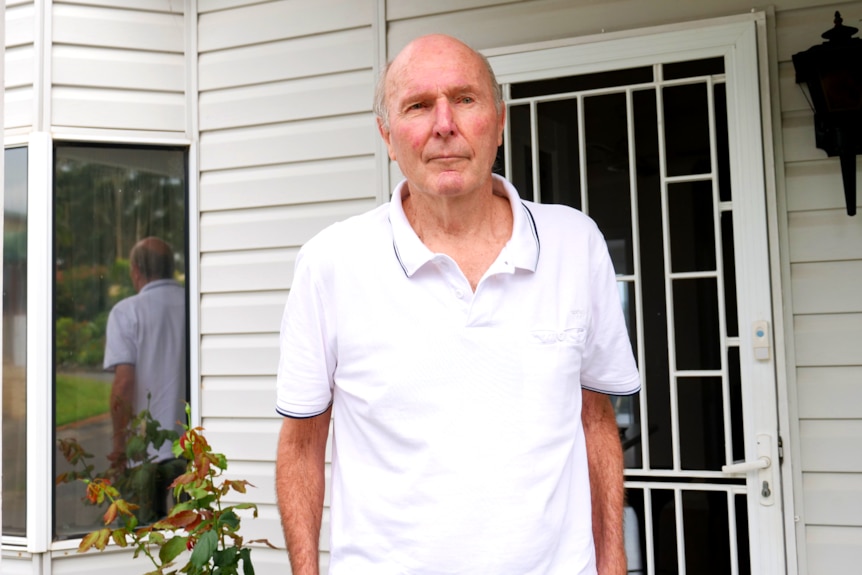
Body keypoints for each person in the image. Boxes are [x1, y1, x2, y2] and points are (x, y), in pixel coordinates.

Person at [275, 34, 640, 574]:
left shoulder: (574, 243)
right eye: (418, 106)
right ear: (387, 135)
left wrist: (612, 565)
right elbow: (302, 446)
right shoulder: (330, 263)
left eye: (465, 99)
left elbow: (595, 420)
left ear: (499, 120)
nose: (444, 123)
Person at [104, 236, 187, 520]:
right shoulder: (193, 305)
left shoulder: (127, 312)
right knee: (191, 537)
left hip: (147, 454)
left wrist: (119, 447)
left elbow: (124, 384)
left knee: (139, 540)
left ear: (136, 270)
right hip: (192, 450)